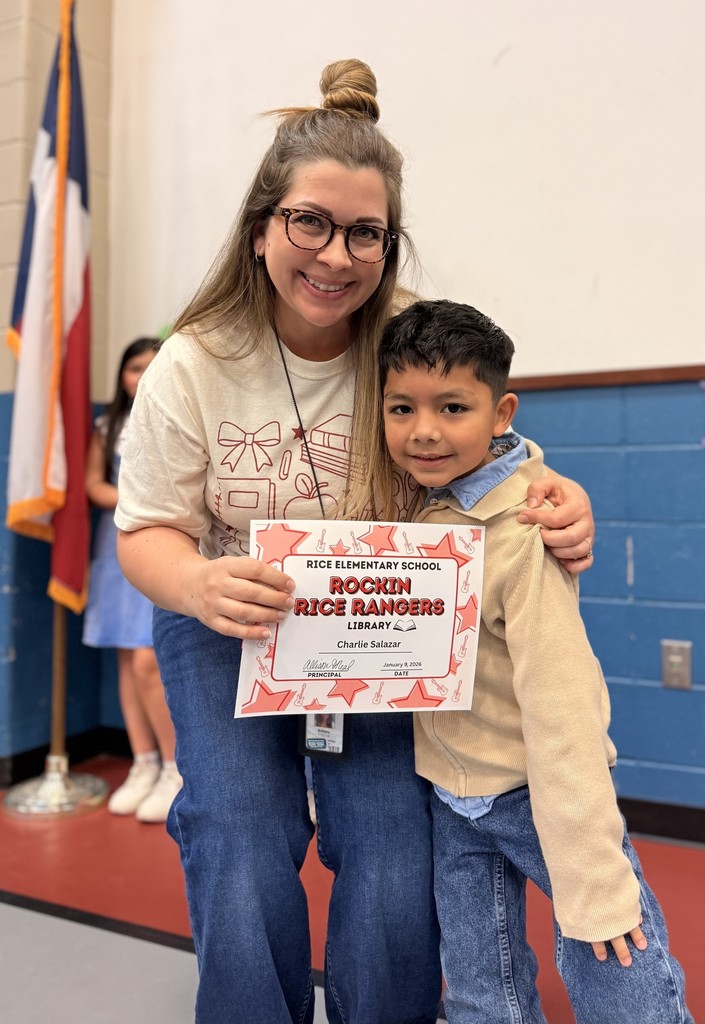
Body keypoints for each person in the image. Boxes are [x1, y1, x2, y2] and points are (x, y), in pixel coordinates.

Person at [114, 59, 596, 1024]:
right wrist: (202, 584)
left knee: (389, 844)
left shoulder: (408, 342)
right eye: (309, 222)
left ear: (388, 242)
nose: (335, 255)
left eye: (364, 233)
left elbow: (490, 445)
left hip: (378, 631)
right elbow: (145, 534)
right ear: (261, 230)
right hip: (229, 622)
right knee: (241, 837)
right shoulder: (192, 363)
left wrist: (560, 493)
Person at [360, 297, 693, 1024]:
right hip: (452, 792)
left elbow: (562, 701)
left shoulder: (524, 531)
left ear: (501, 411)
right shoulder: (414, 505)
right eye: (401, 408)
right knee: (480, 975)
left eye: (452, 407)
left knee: (607, 943)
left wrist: (591, 870)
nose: (423, 432)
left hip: (536, 790)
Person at [83, 338, 182, 823]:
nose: (140, 374)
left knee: (149, 660)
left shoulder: (172, 415)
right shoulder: (108, 426)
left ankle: (174, 767)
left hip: (158, 546)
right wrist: (132, 497)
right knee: (127, 660)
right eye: (132, 366)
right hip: (115, 546)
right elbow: (93, 483)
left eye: (150, 365)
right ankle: (142, 764)